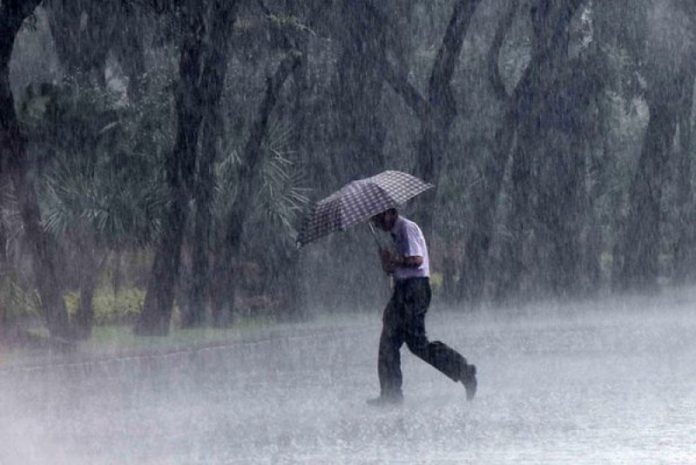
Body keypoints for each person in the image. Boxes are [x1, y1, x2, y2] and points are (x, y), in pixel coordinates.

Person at [367, 208, 477, 406]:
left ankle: (464, 371)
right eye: (374, 220)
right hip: (402, 290)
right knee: (388, 343)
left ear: (390, 213)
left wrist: (395, 259)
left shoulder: (407, 228)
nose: (377, 223)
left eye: (378, 218)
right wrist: (386, 262)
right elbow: (392, 269)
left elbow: (417, 260)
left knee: (417, 344)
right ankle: (391, 394)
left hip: (415, 290)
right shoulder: (393, 235)